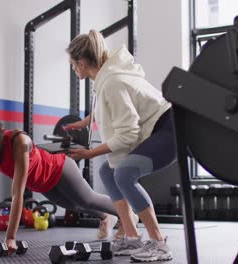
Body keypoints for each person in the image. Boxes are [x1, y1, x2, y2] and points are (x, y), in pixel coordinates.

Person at [64, 29, 176, 262]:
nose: (74, 69)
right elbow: (112, 107)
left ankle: (158, 243)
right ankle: (132, 236)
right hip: (157, 128)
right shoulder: (108, 75)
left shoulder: (111, 81)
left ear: (83, 63)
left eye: (73, 64)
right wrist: (86, 121)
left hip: (170, 131)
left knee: (124, 174)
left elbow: (127, 134)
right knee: (108, 170)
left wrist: (89, 153)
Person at [0, 113, 129, 255]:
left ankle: (128, 215)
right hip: (42, 183)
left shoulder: (19, 141)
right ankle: (106, 217)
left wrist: (10, 237)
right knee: (73, 205)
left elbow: (18, 194)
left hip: (59, 169)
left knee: (87, 199)